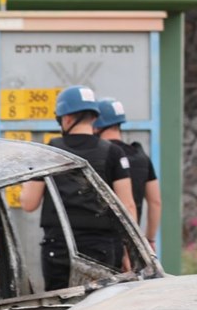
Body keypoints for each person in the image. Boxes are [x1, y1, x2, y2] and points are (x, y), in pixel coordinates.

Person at [19, 85, 137, 291]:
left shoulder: (48, 152)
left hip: (59, 246)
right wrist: (129, 253)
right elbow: (127, 206)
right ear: (93, 118)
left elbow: (29, 204)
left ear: (66, 119)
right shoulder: (114, 153)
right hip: (103, 247)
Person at [95, 97, 161, 254]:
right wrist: (150, 239)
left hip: (103, 243)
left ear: (96, 124)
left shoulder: (99, 156)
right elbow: (155, 202)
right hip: (133, 243)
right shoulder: (141, 157)